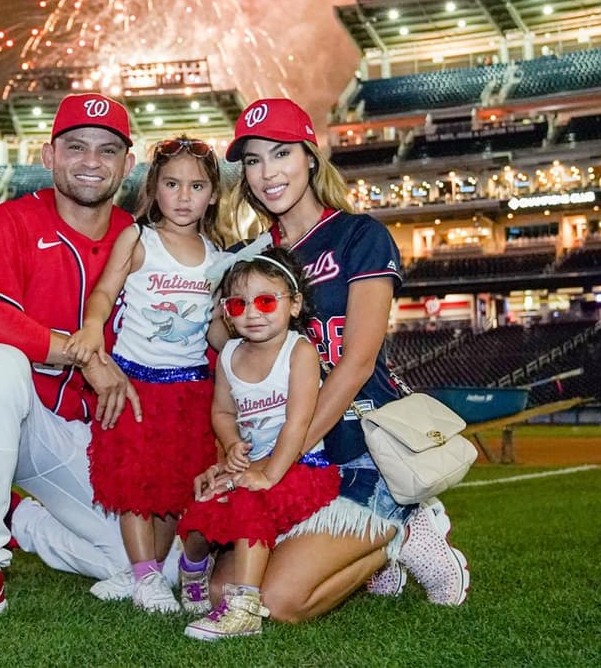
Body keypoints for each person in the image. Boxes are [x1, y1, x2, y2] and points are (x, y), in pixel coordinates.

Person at [200, 98, 470, 624]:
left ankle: (403, 529)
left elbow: (357, 363)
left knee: (274, 603)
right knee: (222, 590)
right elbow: (222, 344)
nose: (267, 172)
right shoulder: (253, 258)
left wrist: (281, 457)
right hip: (291, 448)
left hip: (360, 444)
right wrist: (223, 286)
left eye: (281, 154)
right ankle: (372, 555)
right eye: (252, 161)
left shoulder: (358, 235)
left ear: (310, 158)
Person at [0, 93, 142, 629]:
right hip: (7, 418)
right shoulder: (14, 220)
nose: (91, 161)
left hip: (84, 442)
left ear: (127, 166)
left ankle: (24, 519)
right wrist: (79, 354)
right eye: (76, 147)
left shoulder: (141, 238)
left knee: (148, 564)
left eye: (108, 150)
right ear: (49, 155)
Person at [64, 136, 224, 615]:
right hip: (134, 384)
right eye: (171, 184)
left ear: (213, 195)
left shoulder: (218, 256)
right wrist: (93, 328)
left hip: (190, 388)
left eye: (196, 186)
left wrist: (234, 324)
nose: (183, 196)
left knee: (174, 492)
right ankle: (146, 577)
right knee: (135, 486)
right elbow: (104, 293)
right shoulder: (139, 238)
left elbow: (213, 334)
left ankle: (144, 569)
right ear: (154, 188)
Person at [177, 246, 342, 640]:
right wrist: (232, 446)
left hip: (298, 465)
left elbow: (298, 424)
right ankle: (192, 568)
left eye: (266, 301)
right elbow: (222, 413)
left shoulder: (298, 351)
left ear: (295, 304)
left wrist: (267, 474)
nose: (252, 313)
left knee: (251, 501)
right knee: (205, 499)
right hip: (252, 464)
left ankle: (245, 607)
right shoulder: (229, 353)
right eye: (238, 304)